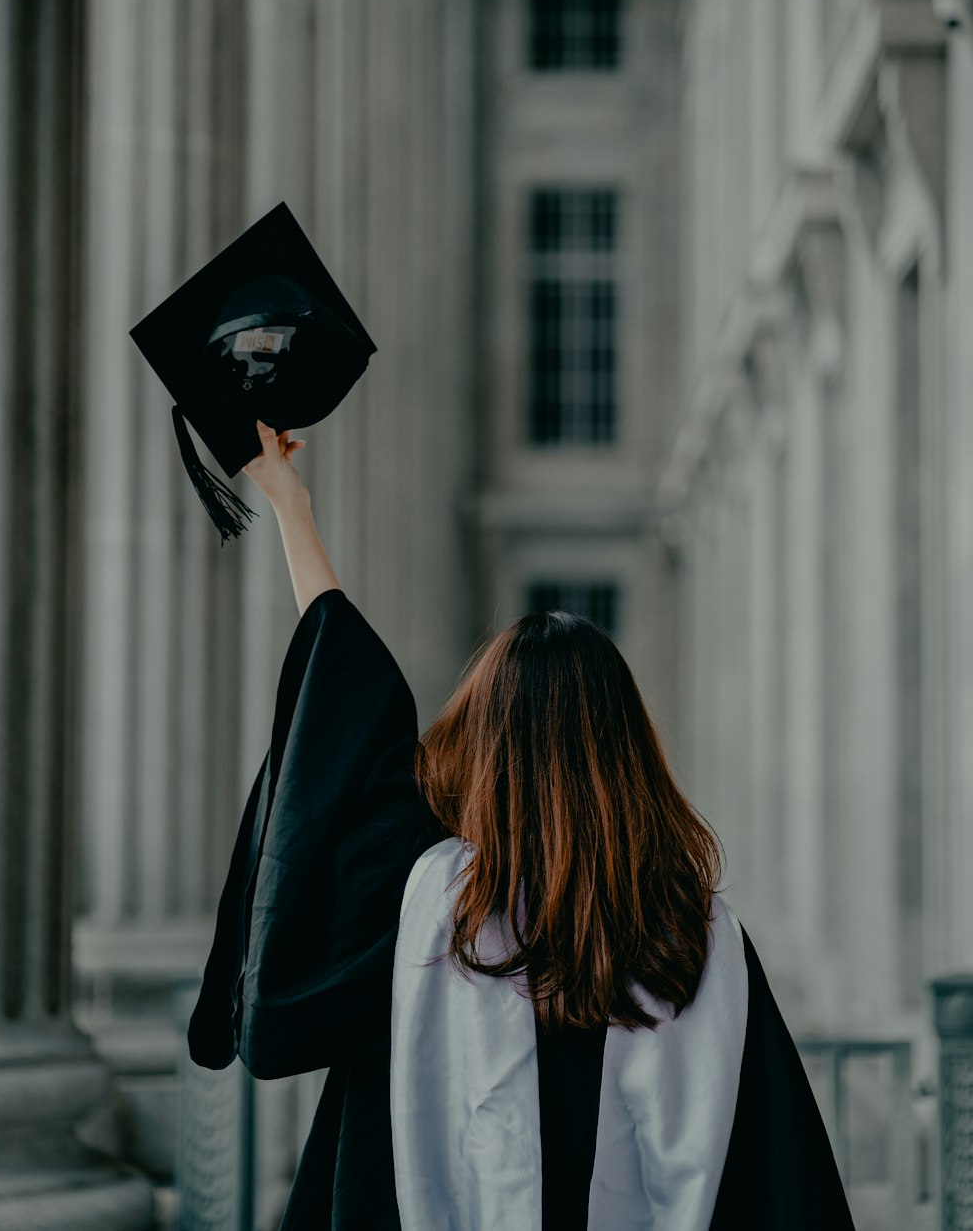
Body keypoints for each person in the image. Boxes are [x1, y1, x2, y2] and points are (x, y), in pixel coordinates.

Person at [188, 420, 856, 1231]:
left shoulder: (430, 908)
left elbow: (346, 709)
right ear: (629, 754)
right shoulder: (699, 938)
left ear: (484, 749)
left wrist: (290, 504)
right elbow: (784, 1185)